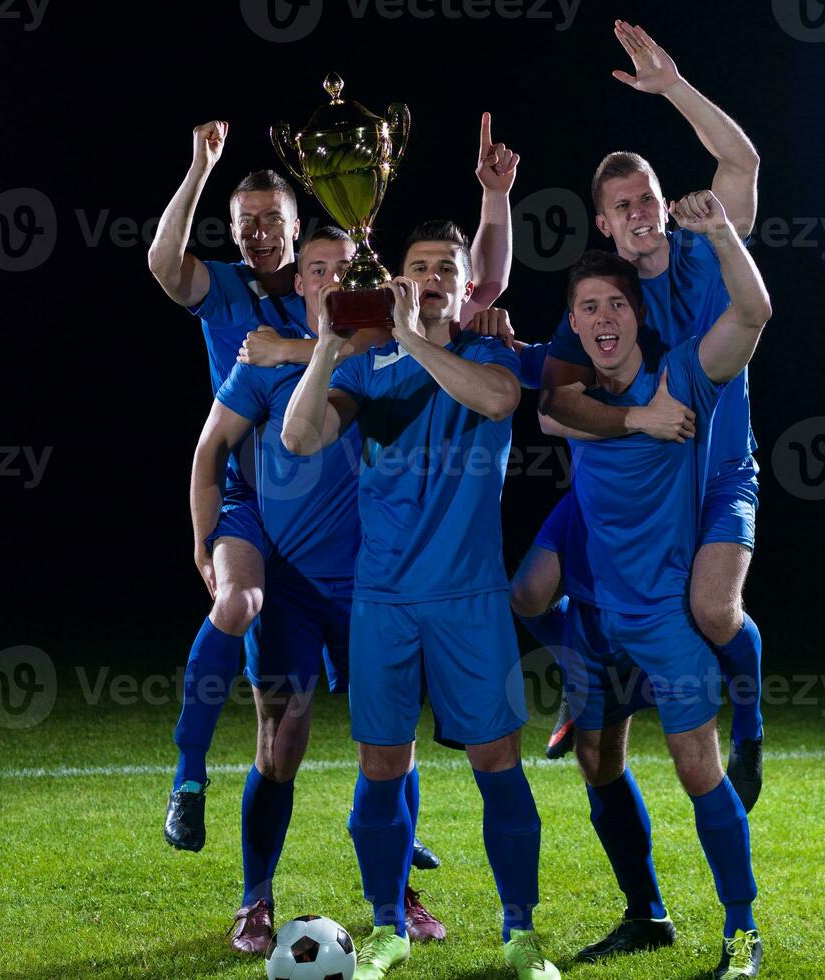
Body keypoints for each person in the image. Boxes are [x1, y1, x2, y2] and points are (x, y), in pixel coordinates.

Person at [149, 114, 519, 848]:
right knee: (259, 663)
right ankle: (192, 779)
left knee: (385, 718)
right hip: (260, 508)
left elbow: (477, 284)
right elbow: (166, 270)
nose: (260, 234)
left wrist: (494, 199)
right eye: (246, 221)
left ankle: (399, 865)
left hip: (357, 534)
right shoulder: (234, 303)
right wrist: (199, 167)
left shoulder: (366, 316)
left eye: (274, 221)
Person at [282, 222, 559, 980]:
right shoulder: (367, 369)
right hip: (383, 602)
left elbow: (501, 403)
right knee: (380, 764)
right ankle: (385, 927)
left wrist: (414, 337)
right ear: (396, 279)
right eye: (417, 266)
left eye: (446, 267)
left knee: (497, 762)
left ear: (467, 287)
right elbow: (300, 439)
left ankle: (520, 932)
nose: (432, 275)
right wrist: (330, 349)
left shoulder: (487, 353)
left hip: (469, 598)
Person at [504, 24, 767, 812]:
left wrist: (674, 88)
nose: (641, 211)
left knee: (712, 609)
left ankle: (749, 726)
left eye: (647, 197)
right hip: (628, 481)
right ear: (606, 226)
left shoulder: (702, 249)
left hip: (715, 472)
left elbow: (742, 165)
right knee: (526, 592)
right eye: (623, 206)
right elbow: (552, 405)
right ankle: (581, 673)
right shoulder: (601, 299)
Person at [189, 228, 448, 953]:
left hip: (376, 581)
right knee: (280, 740)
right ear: (300, 284)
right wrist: (206, 541)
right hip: (294, 587)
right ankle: (254, 900)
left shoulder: (394, 353)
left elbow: (466, 302)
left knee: (391, 744)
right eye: (316, 269)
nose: (330, 278)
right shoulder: (260, 362)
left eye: (344, 268)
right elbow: (209, 450)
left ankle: (397, 895)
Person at [553, 189, 771, 978]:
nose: (603, 317)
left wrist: (718, 237)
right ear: (572, 325)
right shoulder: (567, 403)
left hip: (662, 617)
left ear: (637, 314)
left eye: (616, 303)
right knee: (594, 759)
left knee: (694, 770)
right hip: (593, 621)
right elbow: (521, 392)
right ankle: (645, 914)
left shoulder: (683, 377)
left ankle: (741, 932)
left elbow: (750, 315)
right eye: (587, 307)